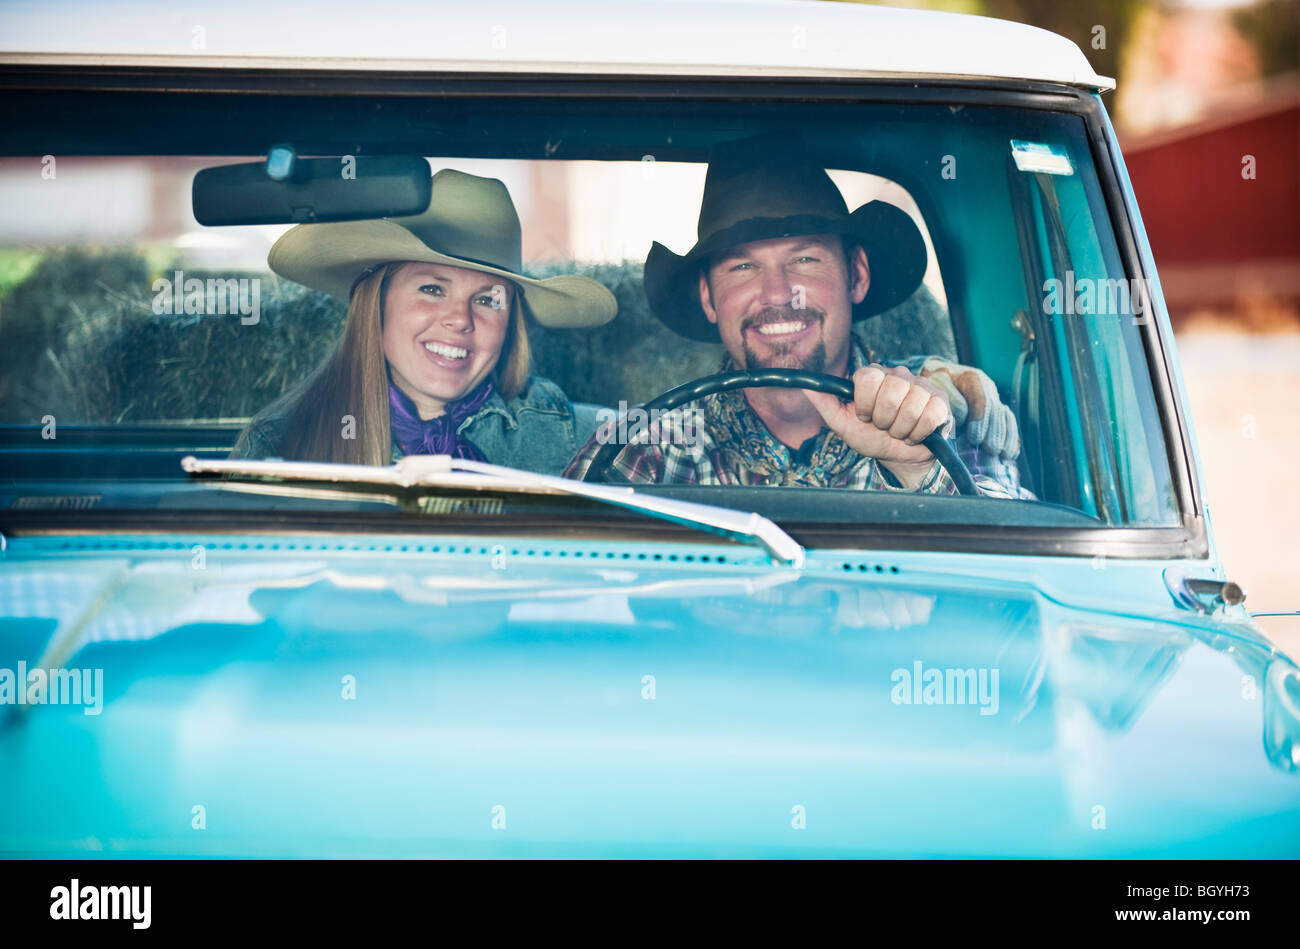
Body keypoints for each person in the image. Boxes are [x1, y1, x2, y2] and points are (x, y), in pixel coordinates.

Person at [565, 136, 1029, 497]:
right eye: (743, 266)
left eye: (805, 259)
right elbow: (561, 583)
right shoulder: (644, 447)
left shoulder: (942, 416)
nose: (778, 293)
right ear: (709, 298)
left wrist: (917, 466)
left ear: (857, 275)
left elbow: (1023, 586)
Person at [231, 168, 616, 475]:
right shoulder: (281, 445)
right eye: (433, 289)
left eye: (486, 299)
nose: (460, 320)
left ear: (510, 323)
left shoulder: (574, 436)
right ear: (377, 304)